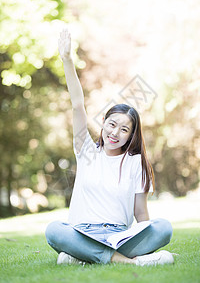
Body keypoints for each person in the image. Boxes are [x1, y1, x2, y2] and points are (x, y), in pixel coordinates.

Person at [45, 26, 174, 266]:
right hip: (82, 232)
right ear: (103, 123)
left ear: (132, 136)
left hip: (119, 237)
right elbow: (77, 105)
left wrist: (146, 238)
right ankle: (129, 262)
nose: (115, 133)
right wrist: (67, 60)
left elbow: (141, 214)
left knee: (164, 228)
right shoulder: (86, 150)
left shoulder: (136, 162)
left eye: (124, 129)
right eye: (112, 124)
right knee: (54, 230)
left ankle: (84, 257)